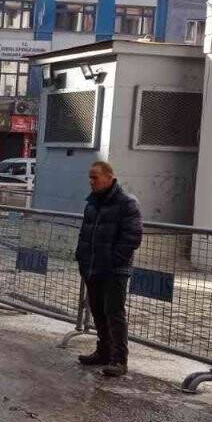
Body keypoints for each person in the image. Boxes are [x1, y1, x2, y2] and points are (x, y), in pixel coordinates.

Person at [75, 161, 143, 377]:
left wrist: (114, 261)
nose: (91, 181)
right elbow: (85, 235)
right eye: (90, 177)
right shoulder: (92, 204)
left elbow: (132, 237)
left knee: (114, 313)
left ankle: (119, 359)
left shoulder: (127, 203)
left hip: (114, 271)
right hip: (92, 268)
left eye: (95, 177)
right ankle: (103, 352)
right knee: (98, 312)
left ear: (109, 177)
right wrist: (82, 259)